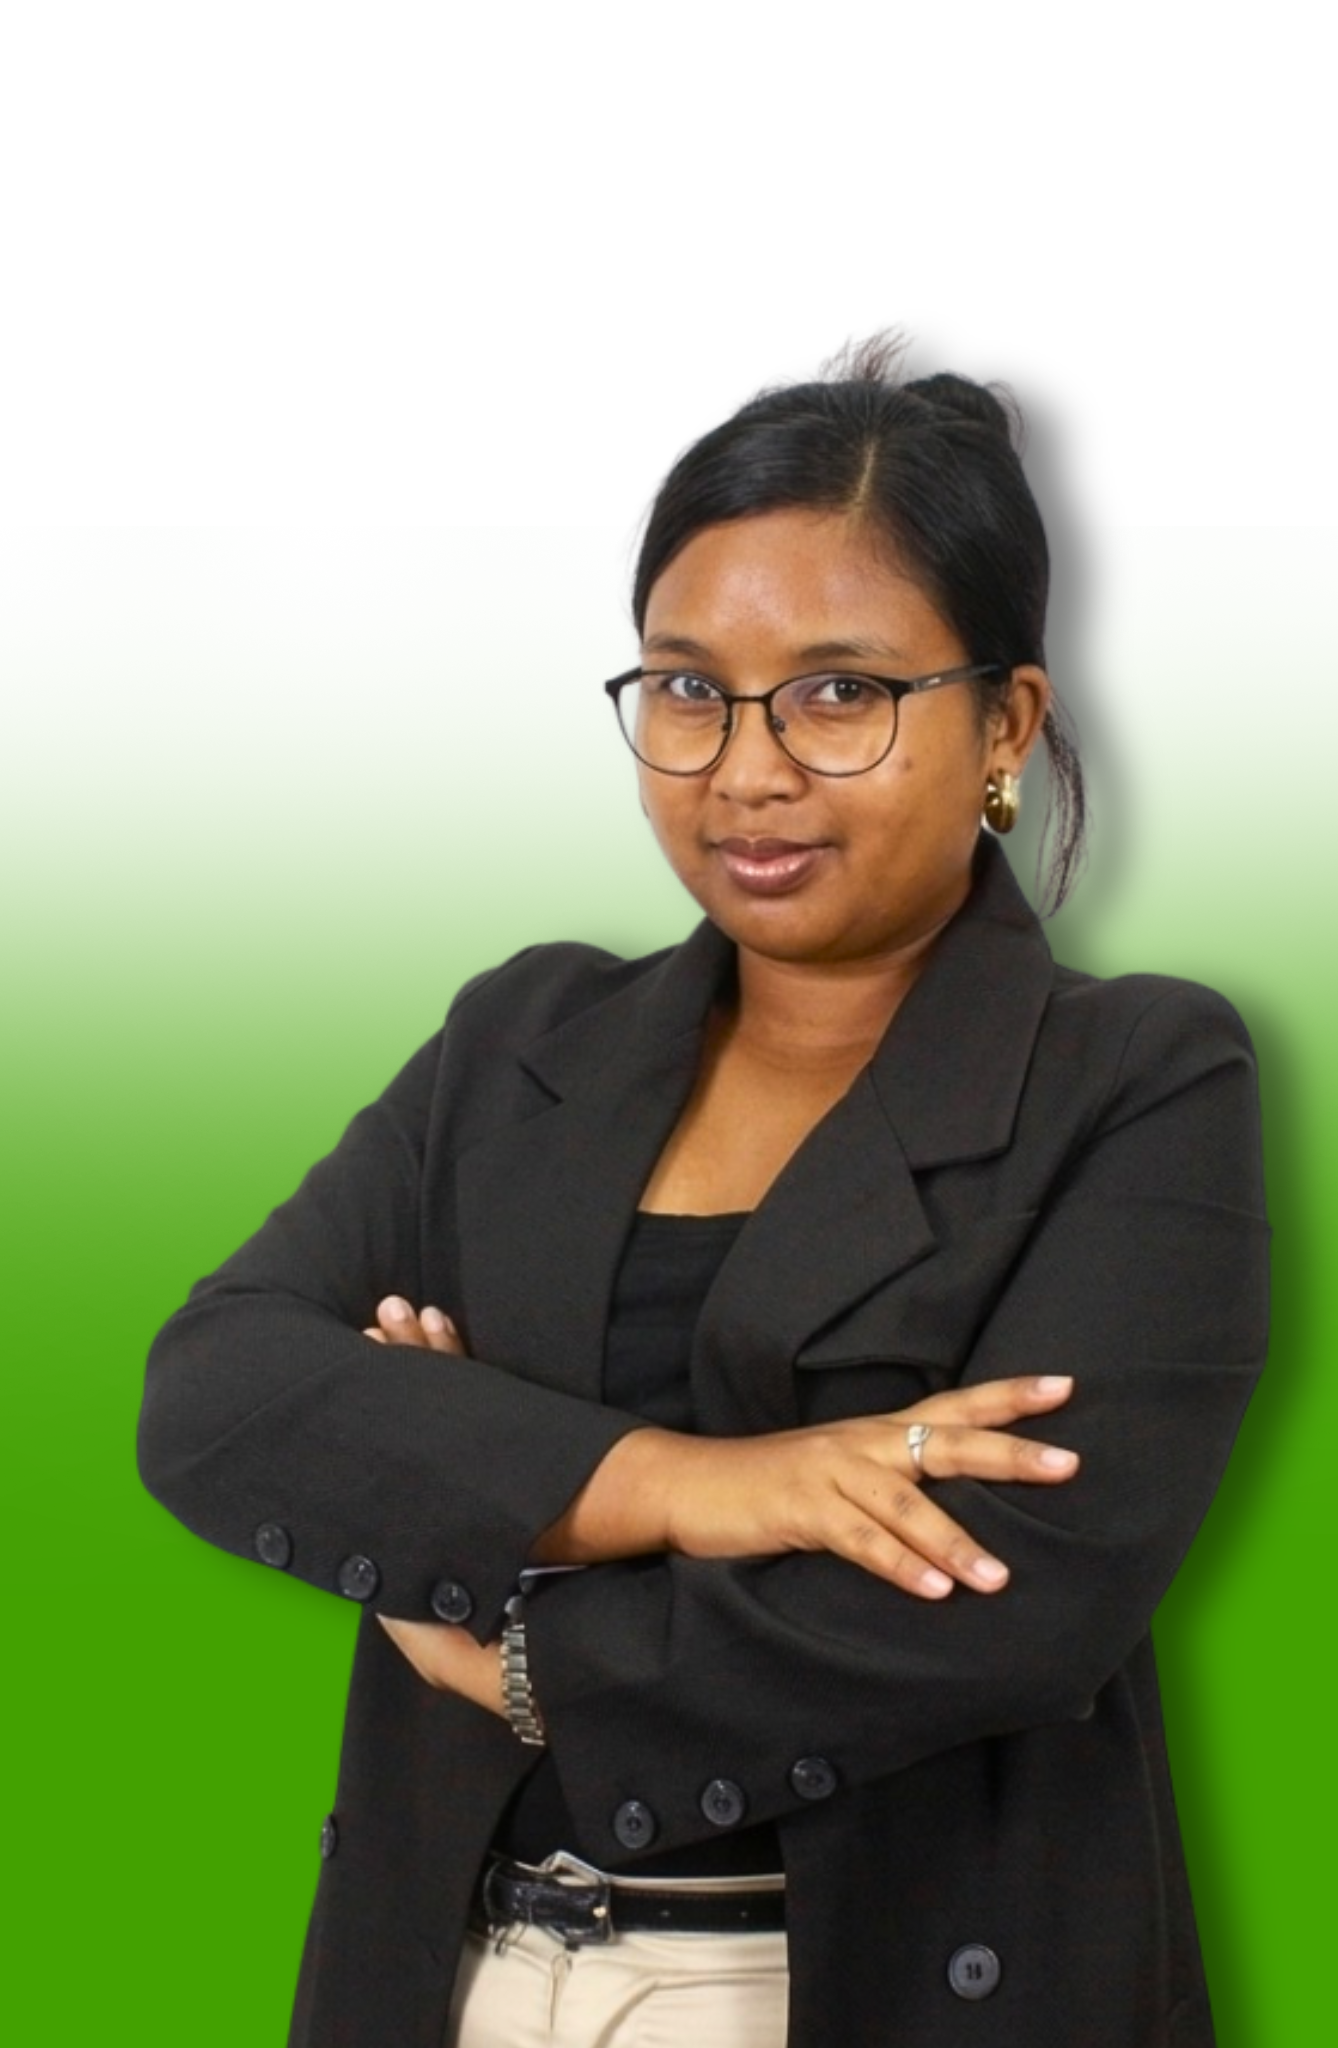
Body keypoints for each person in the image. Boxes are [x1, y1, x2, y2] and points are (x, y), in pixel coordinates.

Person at [138, 338, 1269, 2048]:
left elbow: (1013, 1603)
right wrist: (705, 1487)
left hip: (864, 1996)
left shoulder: (1136, 1080)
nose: (746, 769)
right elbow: (220, 1392)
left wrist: (496, 1592)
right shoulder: (524, 1039)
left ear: (1006, 723)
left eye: (840, 693)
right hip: (452, 1980)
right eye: (687, 688)